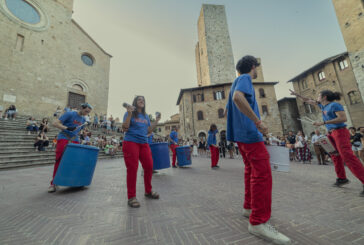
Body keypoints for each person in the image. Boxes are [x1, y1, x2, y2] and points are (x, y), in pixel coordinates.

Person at [226, 55, 291, 244]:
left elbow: (232, 104)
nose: (256, 72)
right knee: (262, 173)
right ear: (253, 67)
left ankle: (249, 208)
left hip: (240, 134)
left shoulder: (235, 81)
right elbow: (238, 98)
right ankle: (258, 221)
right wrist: (257, 121)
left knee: (250, 170)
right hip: (249, 133)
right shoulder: (245, 79)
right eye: (257, 69)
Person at [291, 89, 364, 196]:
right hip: (331, 134)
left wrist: (323, 122)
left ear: (324, 97)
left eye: (318, 95)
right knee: (334, 155)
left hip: (340, 132)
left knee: (348, 157)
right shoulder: (322, 106)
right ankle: (342, 178)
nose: (317, 97)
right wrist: (297, 95)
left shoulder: (335, 105)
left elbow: (343, 118)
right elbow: (308, 100)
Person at [122, 96, 160, 208]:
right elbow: (124, 128)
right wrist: (129, 114)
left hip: (144, 143)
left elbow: (148, 130)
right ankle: (131, 197)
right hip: (131, 142)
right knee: (132, 169)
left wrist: (156, 121)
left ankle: (148, 191)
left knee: (149, 166)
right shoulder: (130, 113)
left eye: (143, 99)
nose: (142, 101)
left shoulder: (146, 116)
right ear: (135, 102)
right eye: (139, 99)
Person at [48, 103, 92, 193]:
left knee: (74, 162)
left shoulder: (83, 119)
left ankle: (73, 182)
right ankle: (53, 184)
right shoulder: (70, 114)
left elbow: (78, 131)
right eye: (86, 111)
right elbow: (55, 123)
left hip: (75, 140)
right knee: (59, 161)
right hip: (64, 138)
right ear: (82, 108)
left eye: (88, 112)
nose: (86, 113)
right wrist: (67, 128)